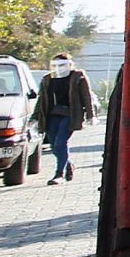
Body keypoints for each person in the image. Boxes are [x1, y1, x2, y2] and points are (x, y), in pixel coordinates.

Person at [35, 53, 96, 183]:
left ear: (69, 65)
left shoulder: (78, 77)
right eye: (56, 65)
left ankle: (59, 174)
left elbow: (86, 97)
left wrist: (91, 115)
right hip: (51, 115)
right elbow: (41, 100)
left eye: (62, 64)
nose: (59, 68)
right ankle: (68, 165)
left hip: (70, 114)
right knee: (53, 146)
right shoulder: (47, 79)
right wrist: (34, 117)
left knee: (61, 142)